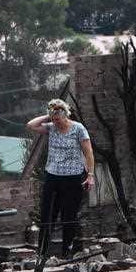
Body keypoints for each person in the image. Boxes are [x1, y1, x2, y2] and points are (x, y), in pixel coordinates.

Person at [27, 99, 95, 258]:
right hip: (52, 176)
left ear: (65, 116)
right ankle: (42, 252)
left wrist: (90, 175)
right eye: (53, 119)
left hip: (73, 177)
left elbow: (89, 153)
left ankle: (67, 251)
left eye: (58, 119)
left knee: (68, 215)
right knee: (47, 213)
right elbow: (31, 125)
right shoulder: (51, 128)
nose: (55, 122)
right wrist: (49, 114)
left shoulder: (78, 129)